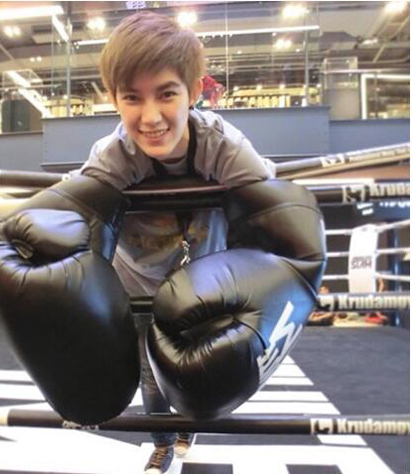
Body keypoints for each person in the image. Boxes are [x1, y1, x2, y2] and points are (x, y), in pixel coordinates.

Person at [74, 12, 275, 474]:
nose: (151, 117)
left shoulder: (222, 145)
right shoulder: (111, 157)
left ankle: (190, 422)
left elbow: (273, 205)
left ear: (194, 91)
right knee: (151, 378)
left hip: (204, 285)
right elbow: (72, 209)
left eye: (166, 94)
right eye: (132, 97)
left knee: (203, 370)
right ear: (113, 98)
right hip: (140, 291)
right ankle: (162, 443)